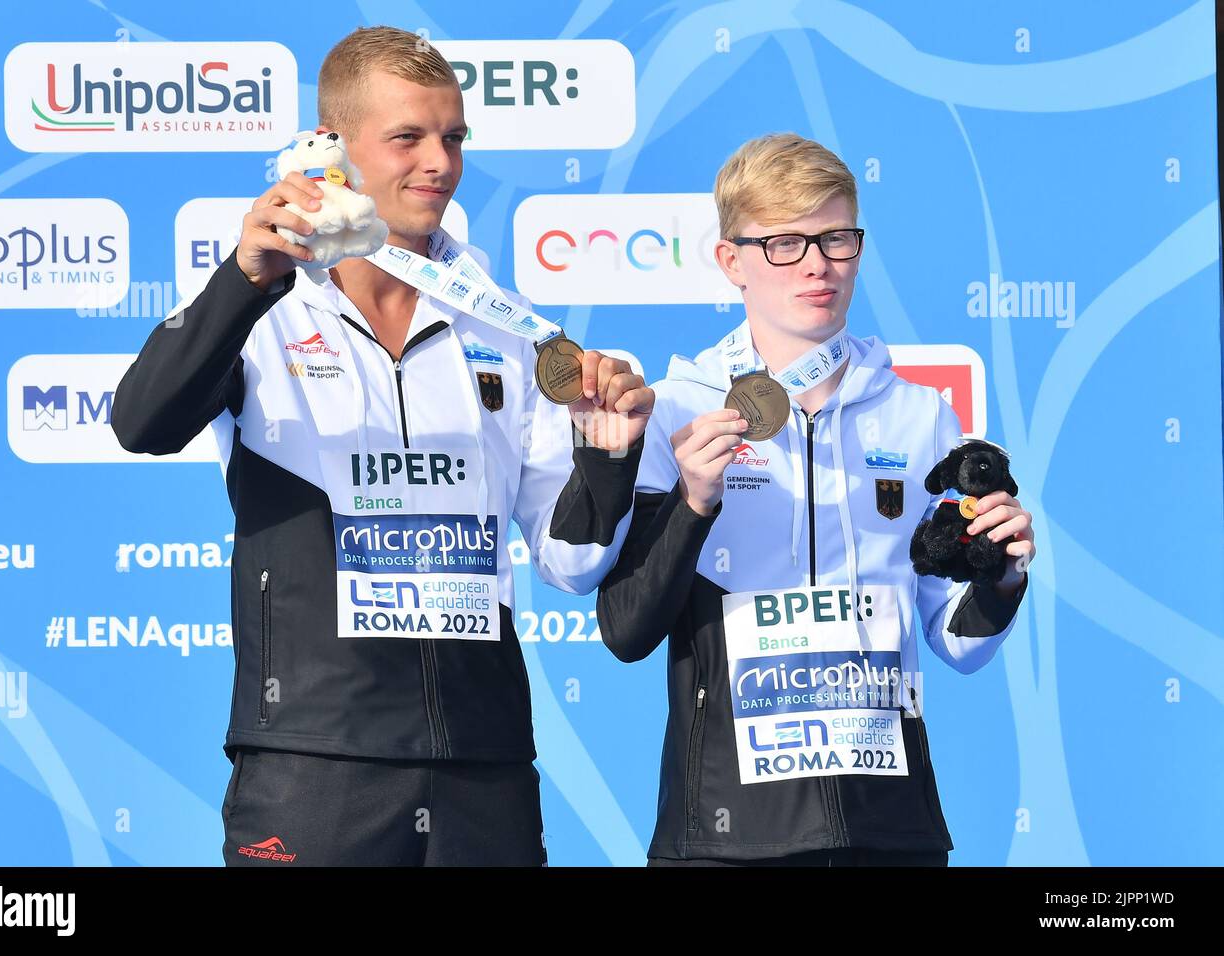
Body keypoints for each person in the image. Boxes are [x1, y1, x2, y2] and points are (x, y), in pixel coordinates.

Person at [111, 26, 654, 866]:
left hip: (483, 761)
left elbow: (570, 562)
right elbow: (141, 424)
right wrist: (245, 280)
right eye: (408, 137)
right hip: (314, 758)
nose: (439, 162)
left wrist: (607, 454)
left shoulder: (507, 324)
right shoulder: (267, 310)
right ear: (337, 150)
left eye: (454, 136)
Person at [595, 133, 1035, 866]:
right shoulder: (675, 408)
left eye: (836, 238)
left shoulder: (919, 415)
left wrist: (1005, 572)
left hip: (888, 825)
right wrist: (694, 504)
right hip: (727, 829)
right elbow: (626, 629)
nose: (817, 265)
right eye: (785, 244)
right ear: (731, 260)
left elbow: (957, 641)